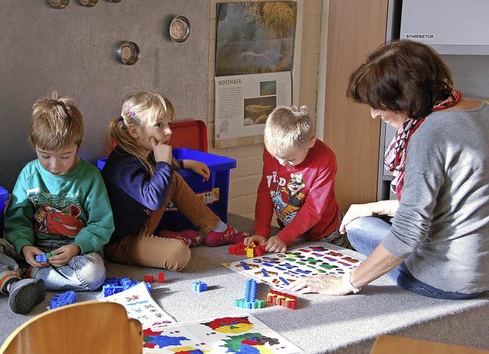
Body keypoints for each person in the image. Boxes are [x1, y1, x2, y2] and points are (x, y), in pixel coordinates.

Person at [291, 40, 489, 299]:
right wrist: (378, 206)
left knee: (358, 227)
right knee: (367, 215)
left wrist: (346, 282)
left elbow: (409, 232)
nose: (374, 114)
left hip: (447, 278)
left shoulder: (429, 134)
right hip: (482, 269)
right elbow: (457, 201)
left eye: (379, 104)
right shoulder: (481, 109)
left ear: (406, 98)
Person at [0, 93, 114, 314]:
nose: (54, 165)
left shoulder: (90, 177)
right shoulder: (29, 173)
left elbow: (102, 224)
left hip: (76, 255)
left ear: (78, 145)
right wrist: (24, 246)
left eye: (65, 156)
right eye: (45, 155)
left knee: (93, 275)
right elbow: (17, 219)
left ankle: (24, 276)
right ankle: (14, 279)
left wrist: (76, 247)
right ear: (34, 145)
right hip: (33, 250)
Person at [101, 91, 249, 271]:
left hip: (142, 225)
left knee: (171, 178)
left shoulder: (141, 151)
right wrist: (164, 162)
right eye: (159, 125)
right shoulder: (124, 167)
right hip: (122, 242)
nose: (169, 130)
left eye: (169, 124)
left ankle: (216, 229)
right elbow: (154, 200)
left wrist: (184, 163)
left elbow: (157, 166)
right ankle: (169, 240)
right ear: (134, 131)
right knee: (179, 255)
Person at [244, 105, 346, 253]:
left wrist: (285, 237)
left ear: (311, 142)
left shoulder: (325, 158)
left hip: (326, 234)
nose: (281, 163)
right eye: (275, 157)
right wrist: (261, 231)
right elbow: (266, 190)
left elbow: (314, 208)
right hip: (292, 232)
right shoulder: (277, 150)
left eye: (290, 159)